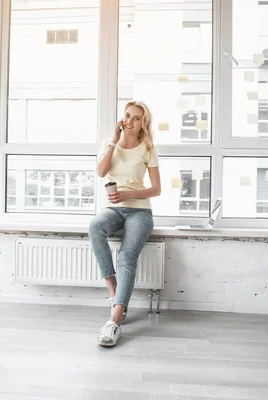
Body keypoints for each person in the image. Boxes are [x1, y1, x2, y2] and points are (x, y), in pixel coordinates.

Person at [88, 100, 161, 347]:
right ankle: (114, 292)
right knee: (95, 226)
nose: (130, 120)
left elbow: (156, 189)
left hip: (139, 211)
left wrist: (130, 194)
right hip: (113, 209)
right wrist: (113, 141)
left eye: (136, 118)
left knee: (126, 257)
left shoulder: (147, 148)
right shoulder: (110, 145)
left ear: (143, 123)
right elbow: (100, 172)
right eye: (128, 115)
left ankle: (115, 320)